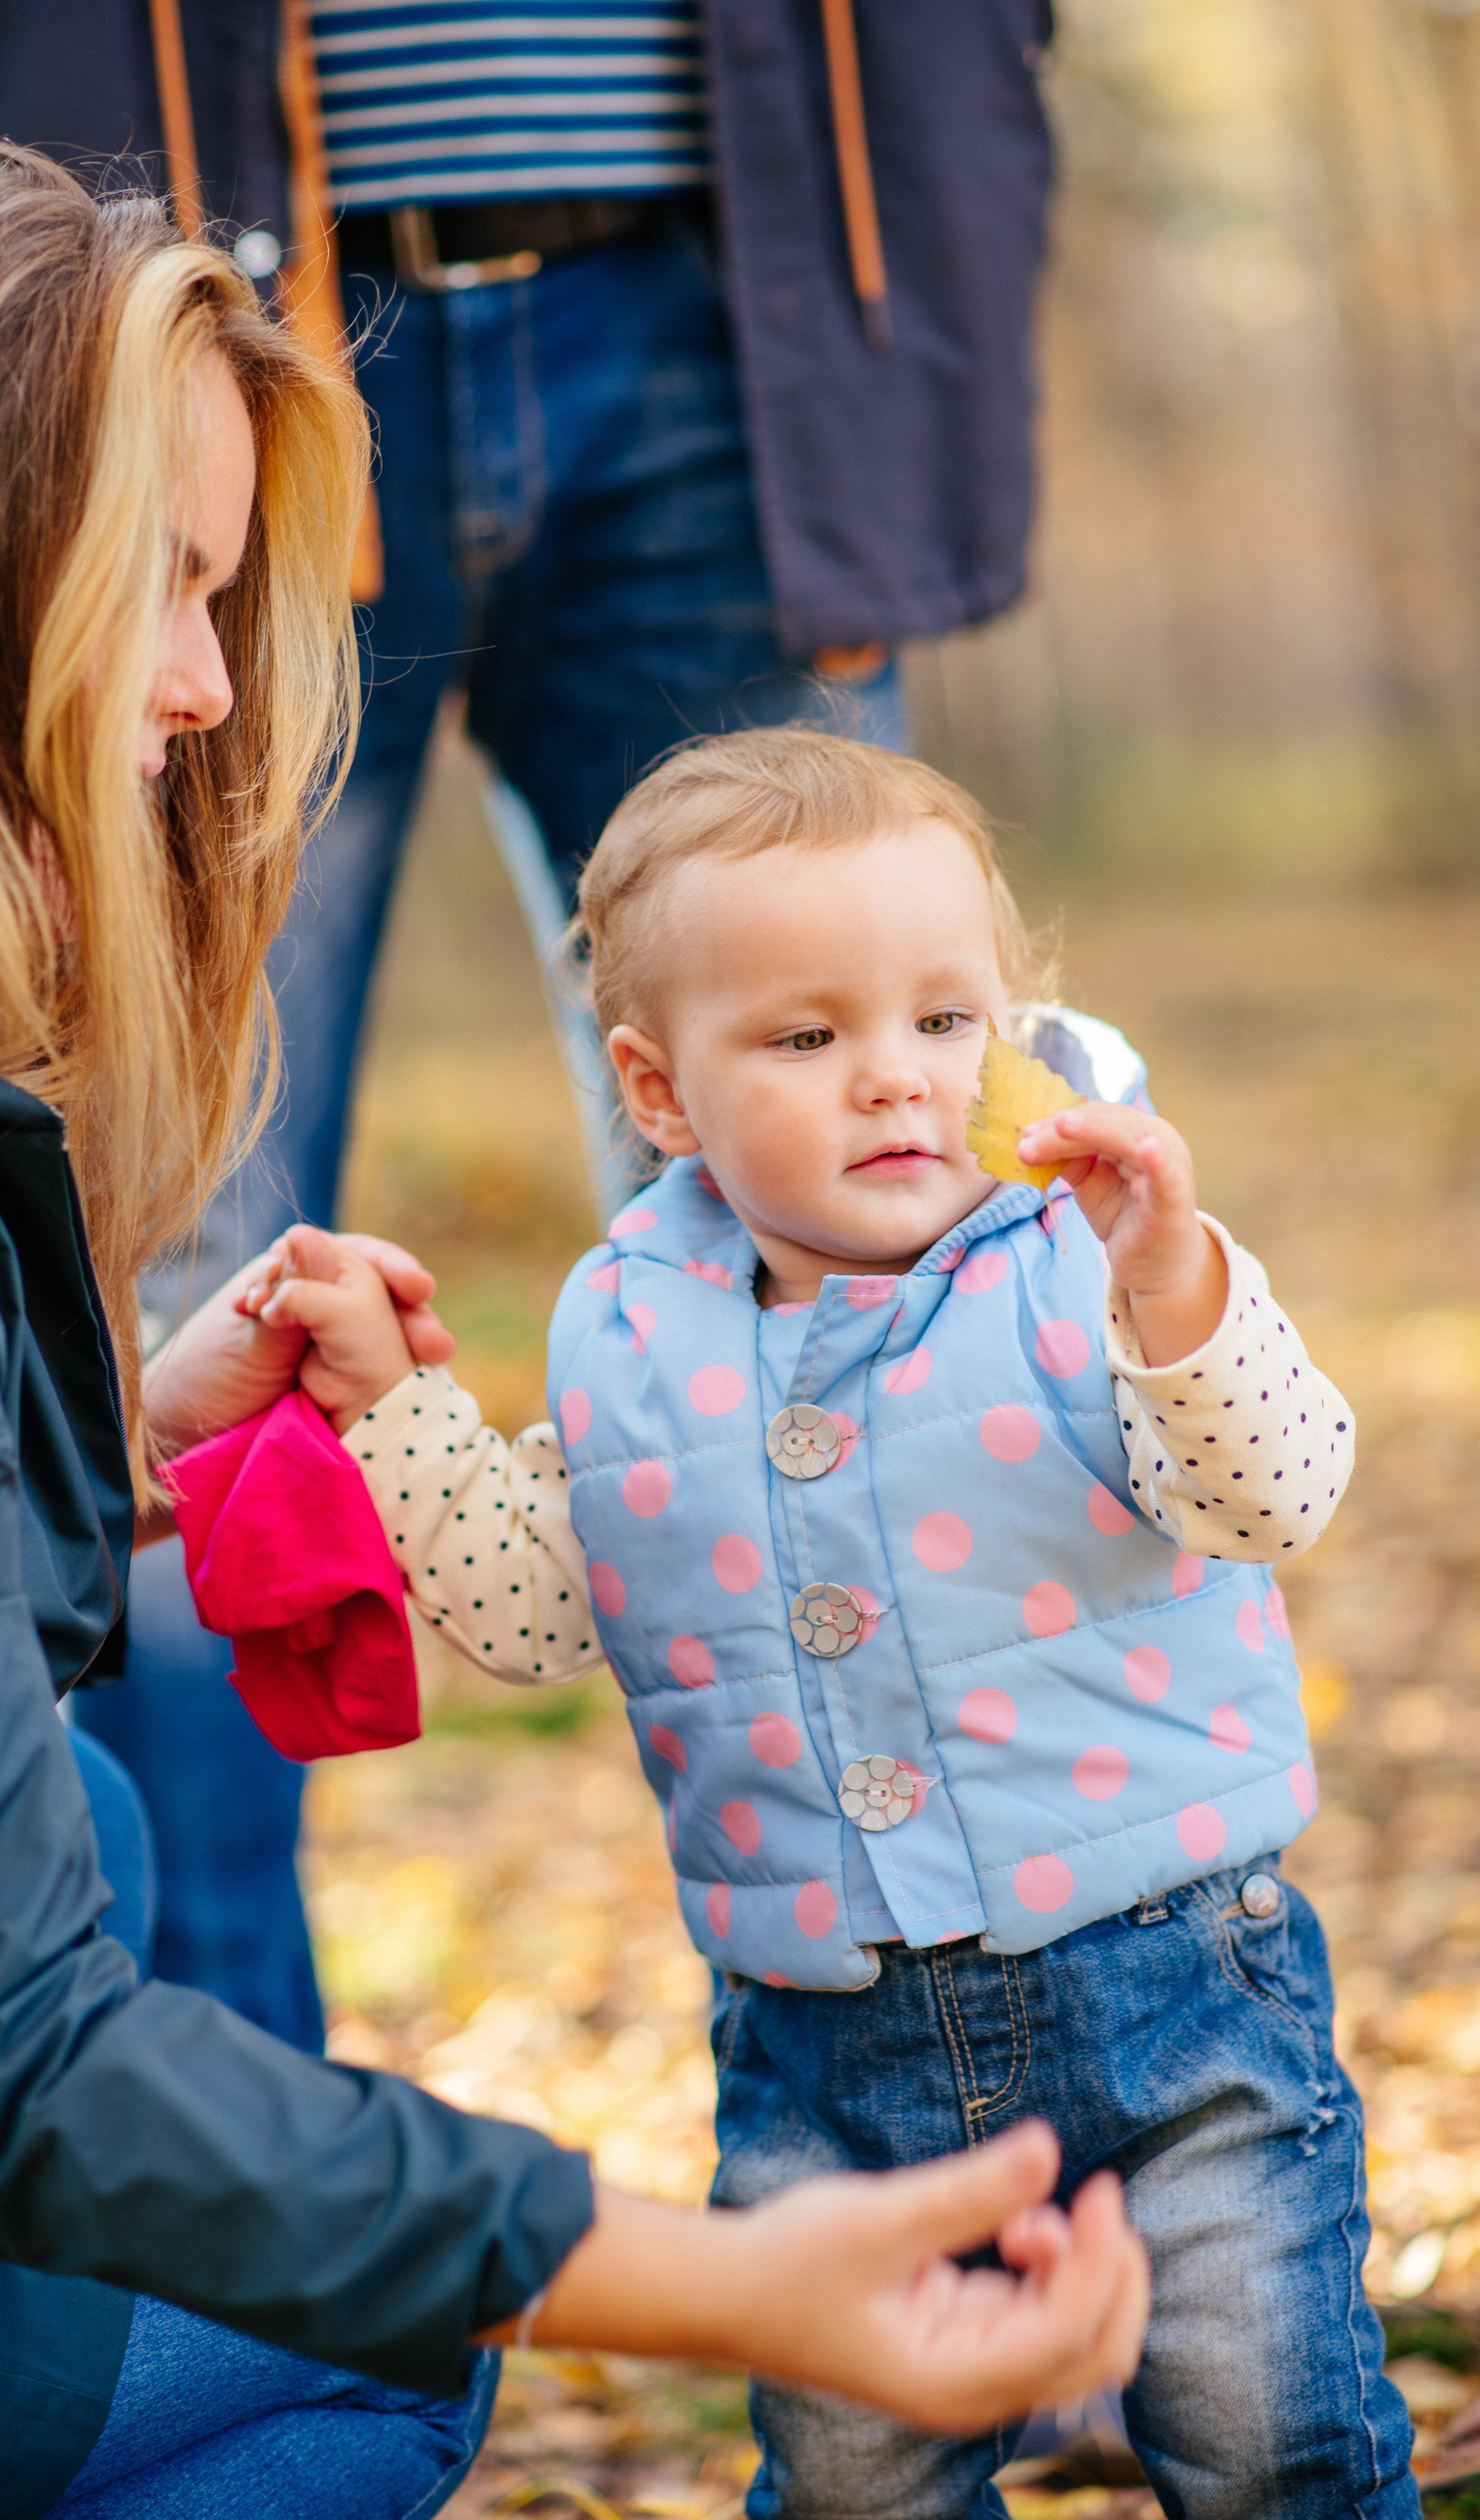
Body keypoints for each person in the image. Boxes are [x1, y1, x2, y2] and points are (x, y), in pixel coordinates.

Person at [0, 133, 1149, 2520]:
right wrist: (704, 2280)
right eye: (152, 590)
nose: (199, 690)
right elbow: (0, 2058)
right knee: (391, 2363)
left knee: (71, 1792)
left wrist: (113, 1445)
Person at [0, 0, 1064, 2043]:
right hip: (193, 265)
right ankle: (159, 2083)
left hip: (747, 289)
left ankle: (960, 2049)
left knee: (883, 1247)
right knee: (183, 1274)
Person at [240, 730, 1413, 2519]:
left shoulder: (1079, 1256)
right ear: (657, 1087)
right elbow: (544, 1604)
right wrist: (395, 1401)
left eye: (945, 1022)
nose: (896, 1082)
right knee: (859, 2479)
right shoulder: (632, 1330)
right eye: (807, 1037)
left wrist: (1175, 1280)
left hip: (1178, 1989)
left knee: (1272, 2435)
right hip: (827, 2047)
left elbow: (1272, 1492)